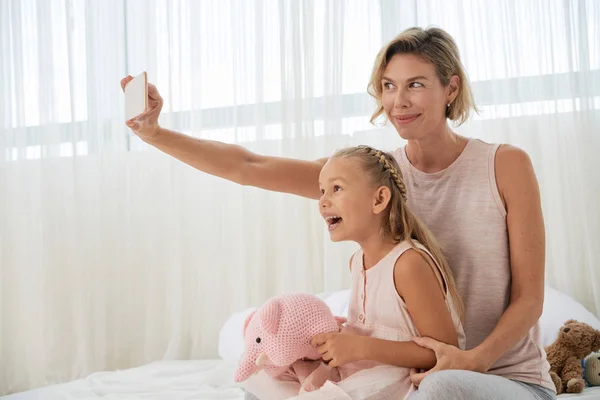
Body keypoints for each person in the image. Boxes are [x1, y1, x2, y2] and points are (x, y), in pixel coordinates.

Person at [121, 26, 556, 399]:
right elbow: (249, 167)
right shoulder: (369, 177)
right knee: (275, 372)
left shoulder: (505, 165)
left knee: (440, 389)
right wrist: (156, 134)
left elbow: (529, 299)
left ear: (452, 89)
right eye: (388, 85)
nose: (398, 101)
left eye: (416, 84)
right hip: (406, 381)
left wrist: (472, 360)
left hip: (501, 378)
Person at [244, 145, 466, 400]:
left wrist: (361, 347)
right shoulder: (357, 262)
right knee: (265, 373)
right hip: (356, 371)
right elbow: (363, 330)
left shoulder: (408, 263)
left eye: (336, 188)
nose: (323, 201)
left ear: (379, 199)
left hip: (394, 381)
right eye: (322, 191)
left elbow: (446, 352)